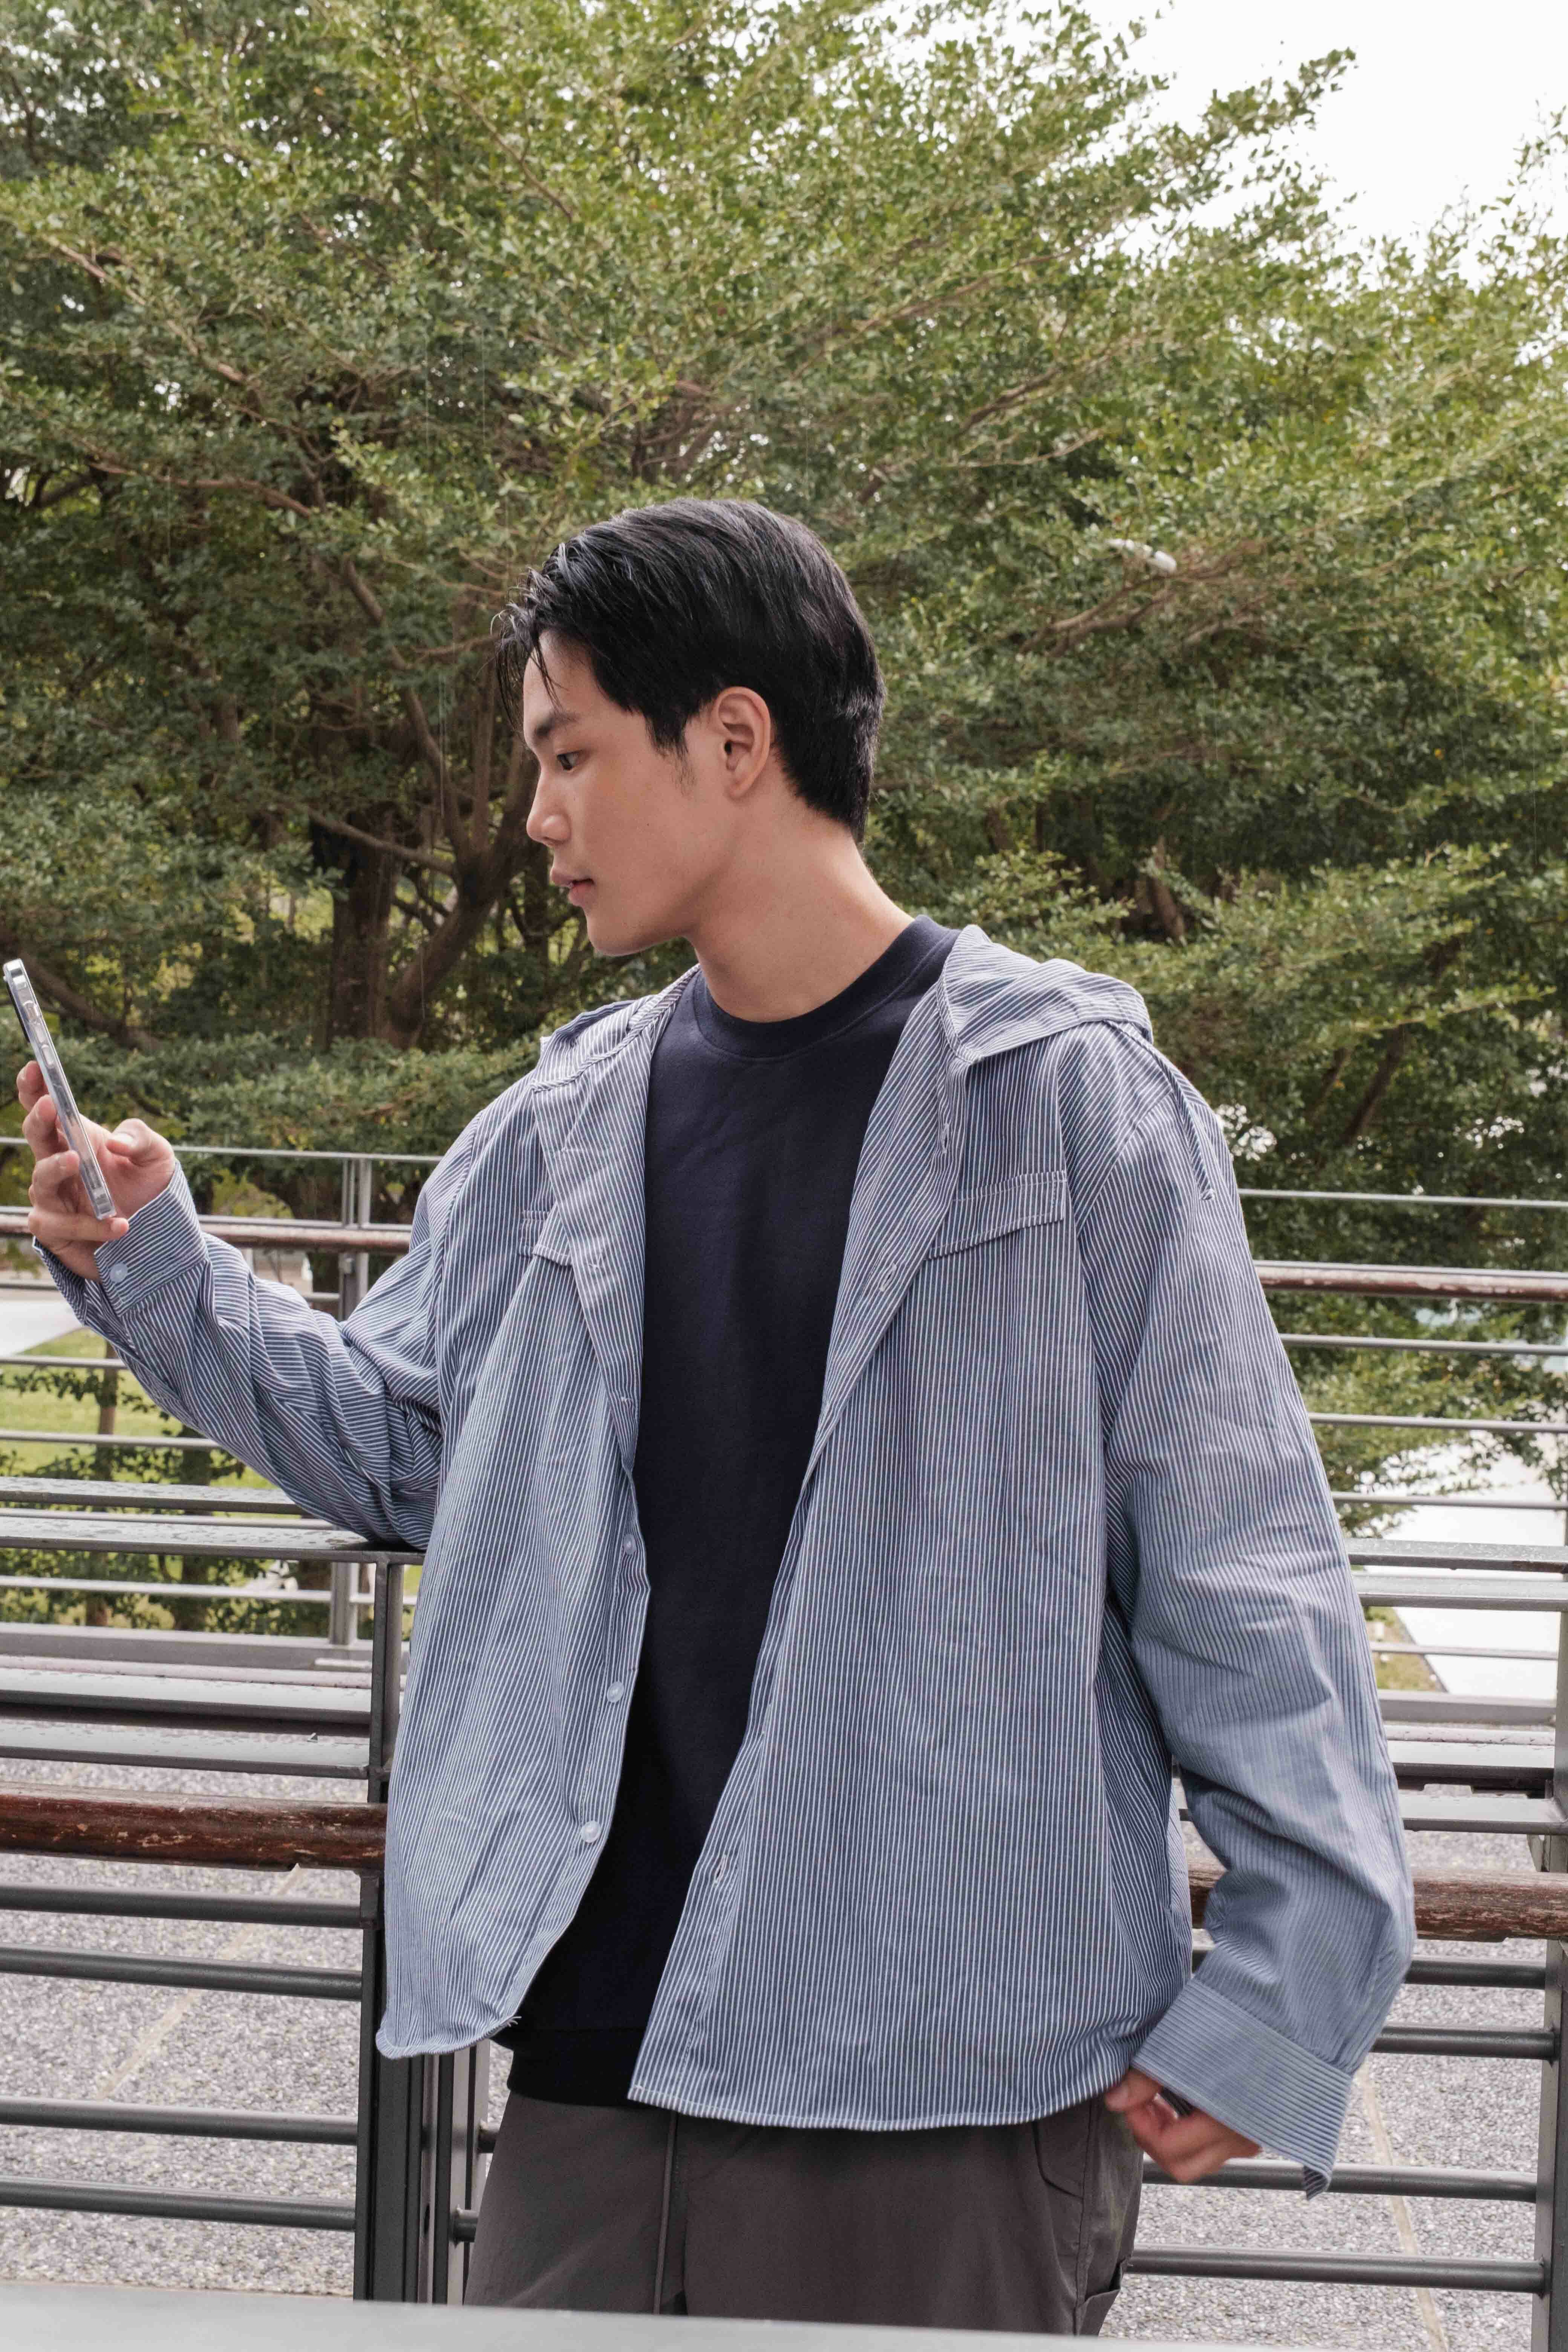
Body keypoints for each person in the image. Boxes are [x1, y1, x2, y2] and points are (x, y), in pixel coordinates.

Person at [22, 498, 1413, 2335]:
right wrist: (153, 1264)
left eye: (570, 754)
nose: (537, 817)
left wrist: (1283, 1999)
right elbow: (406, 1451)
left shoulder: (1060, 1101)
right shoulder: (556, 1126)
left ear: (735, 741)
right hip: (593, 2072)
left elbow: (1237, 1566)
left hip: (939, 2086)